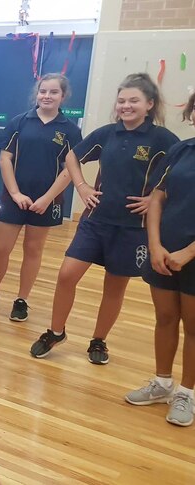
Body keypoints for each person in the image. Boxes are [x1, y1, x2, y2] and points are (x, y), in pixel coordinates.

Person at [29, 73, 180, 364]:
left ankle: (99, 341)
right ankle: (56, 331)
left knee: (114, 287)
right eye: (122, 100)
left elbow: (181, 172)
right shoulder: (107, 133)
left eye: (134, 100)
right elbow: (72, 157)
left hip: (132, 228)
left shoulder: (161, 139)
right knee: (66, 275)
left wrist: (155, 199)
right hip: (95, 221)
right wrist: (83, 187)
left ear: (149, 104)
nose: (126, 106)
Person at [0, 73, 83, 321]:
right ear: (36, 94)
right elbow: (4, 158)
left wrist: (47, 198)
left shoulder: (70, 130)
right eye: (43, 91)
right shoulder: (19, 122)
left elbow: (69, 170)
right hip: (13, 198)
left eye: (53, 92)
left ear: (63, 96)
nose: (47, 96)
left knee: (33, 250)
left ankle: (22, 300)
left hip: (46, 202)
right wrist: (16, 192)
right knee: (0, 248)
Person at [125, 92, 195, 426]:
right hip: (165, 253)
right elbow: (157, 199)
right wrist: (155, 245)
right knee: (165, 318)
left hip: (190, 255)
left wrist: (189, 252)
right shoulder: (182, 150)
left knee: (194, 328)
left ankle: (187, 394)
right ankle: (163, 383)